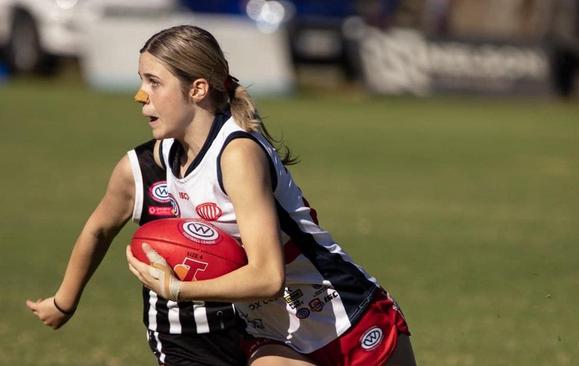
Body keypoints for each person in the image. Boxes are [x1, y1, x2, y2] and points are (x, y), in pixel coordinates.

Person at [125, 25, 417, 366]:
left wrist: (178, 290)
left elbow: (267, 276)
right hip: (275, 333)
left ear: (198, 89)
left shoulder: (237, 155)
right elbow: (120, 186)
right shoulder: (169, 152)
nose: (140, 95)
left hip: (344, 318)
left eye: (153, 82)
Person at [26, 136, 247, 365]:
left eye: (152, 98)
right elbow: (99, 230)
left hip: (254, 320)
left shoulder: (240, 157)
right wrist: (64, 302)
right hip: (180, 331)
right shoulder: (139, 169)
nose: (145, 103)